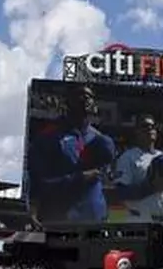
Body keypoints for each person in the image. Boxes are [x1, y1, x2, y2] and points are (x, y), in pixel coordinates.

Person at [27, 84, 116, 222]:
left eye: (89, 96)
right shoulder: (48, 136)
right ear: (67, 102)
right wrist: (79, 178)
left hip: (95, 222)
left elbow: (104, 181)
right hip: (59, 220)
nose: (86, 99)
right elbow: (38, 185)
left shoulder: (101, 140)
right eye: (80, 95)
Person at [111, 114, 163, 223]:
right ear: (137, 131)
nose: (150, 129)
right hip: (140, 219)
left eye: (153, 126)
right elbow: (120, 193)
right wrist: (150, 187)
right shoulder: (128, 157)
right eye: (145, 126)